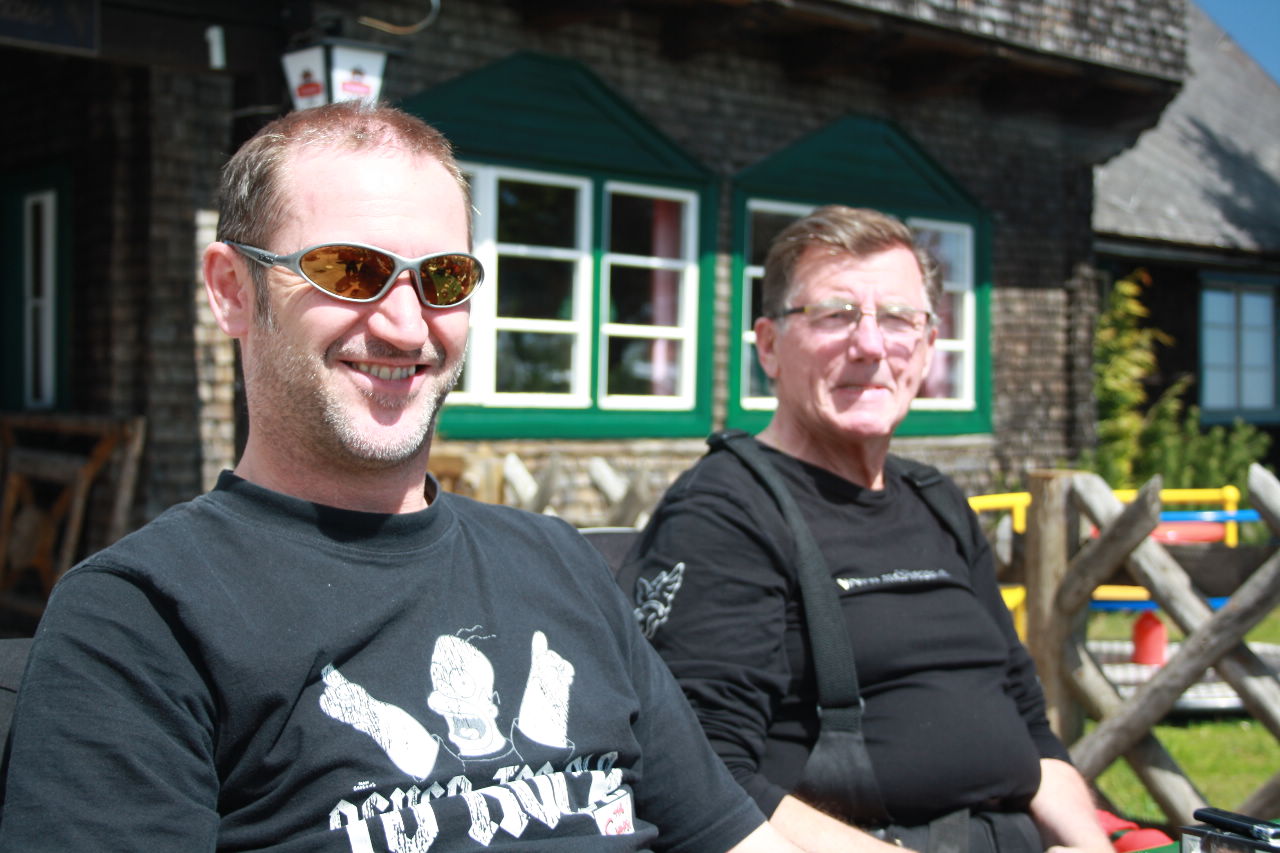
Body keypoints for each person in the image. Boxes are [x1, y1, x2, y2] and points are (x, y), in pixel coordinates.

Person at [0, 101, 801, 853]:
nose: (406, 325)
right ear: (232, 290)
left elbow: (732, 838)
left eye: (444, 278)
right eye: (351, 271)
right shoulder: (142, 616)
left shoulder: (561, 562)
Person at [620, 206, 1112, 853]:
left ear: (928, 346)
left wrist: (1096, 847)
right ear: (768, 345)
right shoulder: (726, 511)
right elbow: (701, 773)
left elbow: (1029, 725)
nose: (872, 345)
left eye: (900, 318)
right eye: (836, 314)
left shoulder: (939, 502)